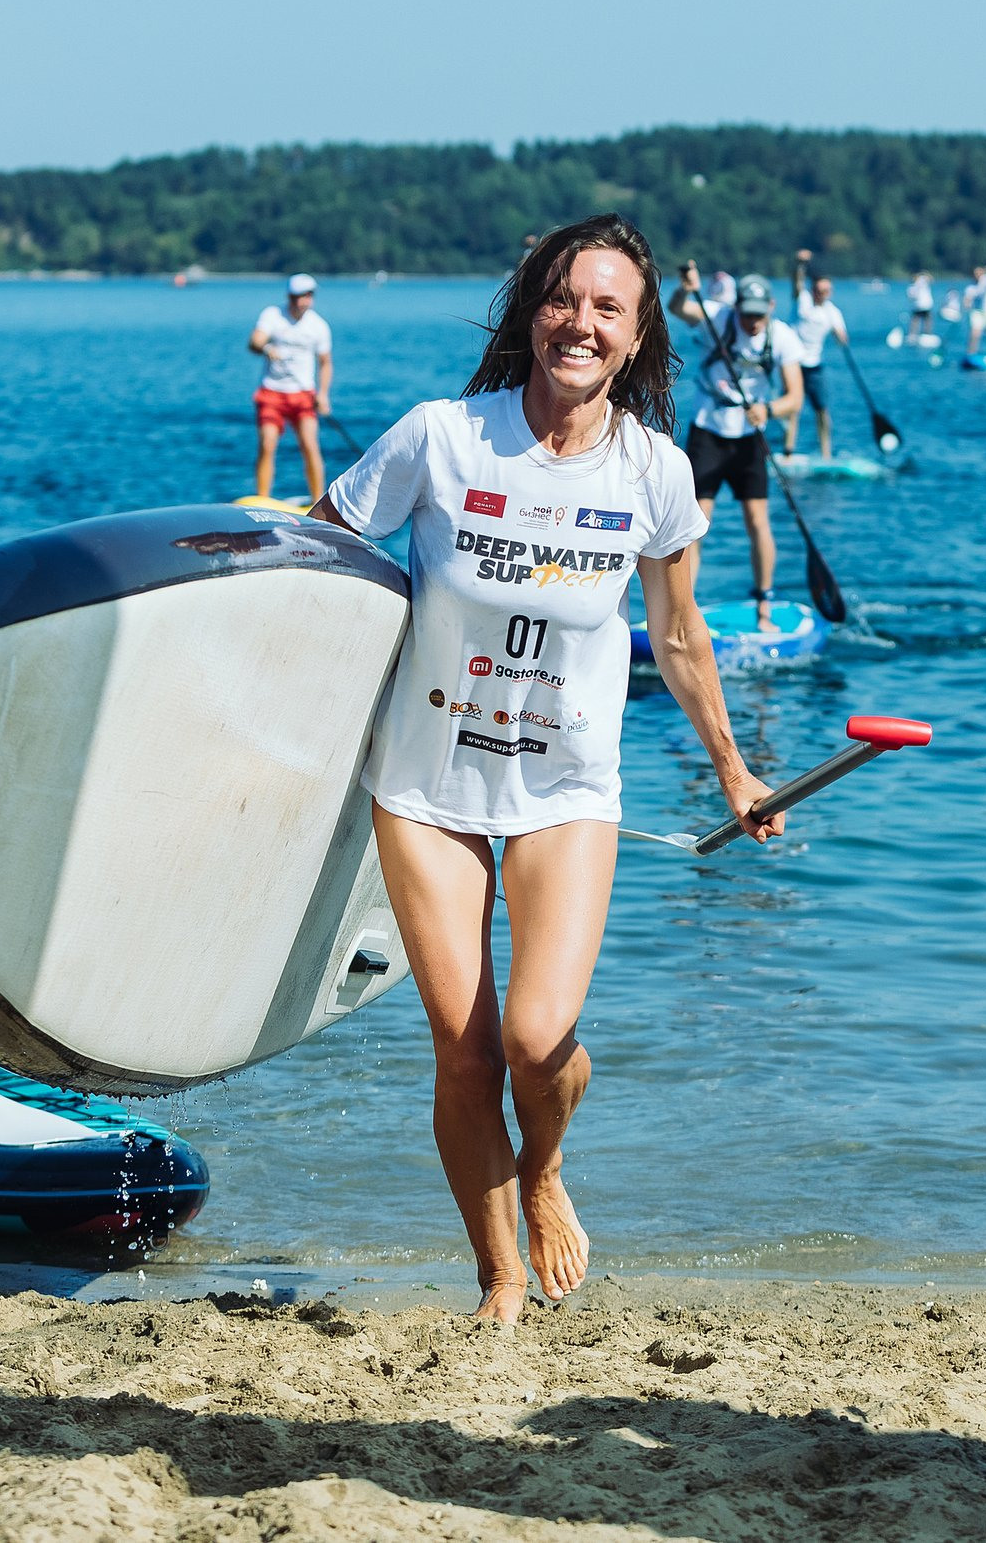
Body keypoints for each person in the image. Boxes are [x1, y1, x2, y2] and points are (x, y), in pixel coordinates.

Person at [306, 215, 782, 1322]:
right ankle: (499, 1277)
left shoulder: (656, 472)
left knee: (533, 1040)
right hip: (425, 786)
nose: (580, 321)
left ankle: (548, 1165)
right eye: (563, 298)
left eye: (606, 307)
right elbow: (321, 557)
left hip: (566, 787)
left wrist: (733, 771)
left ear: (635, 335)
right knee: (466, 1054)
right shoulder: (442, 436)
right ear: (532, 311)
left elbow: (676, 635)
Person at [667, 266, 802, 632]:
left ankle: (764, 608)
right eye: (747, 314)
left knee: (758, 522)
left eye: (760, 314)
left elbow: (795, 396)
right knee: (694, 526)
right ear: (736, 307)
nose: (752, 322)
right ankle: (682, 614)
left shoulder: (783, 336)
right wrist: (685, 289)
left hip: (749, 438)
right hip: (708, 432)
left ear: (771, 307)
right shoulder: (718, 317)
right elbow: (678, 307)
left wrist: (769, 410)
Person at [247, 273, 333, 501]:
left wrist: (323, 395)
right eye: (296, 297)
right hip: (272, 392)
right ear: (289, 297)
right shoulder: (272, 315)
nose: (301, 302)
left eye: (306, 296)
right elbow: (254, 341)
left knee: (309, 444)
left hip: (303, 394)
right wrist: (266, 348)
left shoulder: (318, 326)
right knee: (267, 444)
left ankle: (318, 501)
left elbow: (325, 364)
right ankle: (262, 499)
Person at [787, 251, 849, 458]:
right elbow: (797, 282)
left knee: (822, 410)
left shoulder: (833, 313)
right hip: (793, 363)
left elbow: (843, 339)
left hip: (815, 366)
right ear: (813, 290)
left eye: (826, 290)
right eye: (819, 290)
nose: (823, 294)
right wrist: (800, 265)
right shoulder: (802, 300)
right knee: (793, 408)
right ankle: (789, 451)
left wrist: (840, 337)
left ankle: (826, 453)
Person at [907, 271, 936, 339]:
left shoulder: (918, 284)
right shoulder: (915, 286)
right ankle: (925, 335)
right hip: (921, 306)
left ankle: (915, 335)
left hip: (922, 306)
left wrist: (924, 273)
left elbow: (931, 280)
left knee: (919, 322)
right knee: (924, 322)